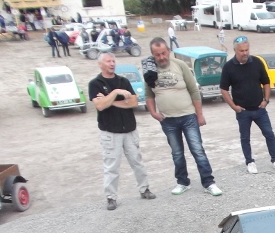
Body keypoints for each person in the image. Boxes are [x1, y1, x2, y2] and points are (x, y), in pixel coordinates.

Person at [145, 38, 222, 197]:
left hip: (188, 117)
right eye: (157, 54)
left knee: (197, 150)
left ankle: (209, 182)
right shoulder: (149, 71)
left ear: (169, 51)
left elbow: (194, 90)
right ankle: (182, 182)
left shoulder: (180, 65)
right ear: (152, 55)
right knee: (177, 153)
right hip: (167, 120)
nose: (161, 57)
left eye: (164, 53)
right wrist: (153, 112)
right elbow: (148, 95)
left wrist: (199, 114)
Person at [89, 52, 156, 211]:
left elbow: (133, 102)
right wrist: (116, 93)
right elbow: (100, 106)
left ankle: (145, 189)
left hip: (129, 129)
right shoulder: (95, 83)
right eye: (108, 61)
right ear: (100, 64)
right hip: (110, 132)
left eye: (113, 61)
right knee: (111, 166)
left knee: (137, 162)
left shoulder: (123, 81)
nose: (112, 63)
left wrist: (109, 100)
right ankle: (111, 197)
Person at [220, 35, 275, 175]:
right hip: (243, 111)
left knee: (269, 134)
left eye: (247, 50)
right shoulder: (228, 67)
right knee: (245, 138)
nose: (245, 53)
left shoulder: (257, 62)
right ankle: (249, 162)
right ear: (235, 50)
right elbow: (223, 89)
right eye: (241, 51)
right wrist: (234, 107)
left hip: (259, 109)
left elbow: (266, 82)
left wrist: (266, 100)